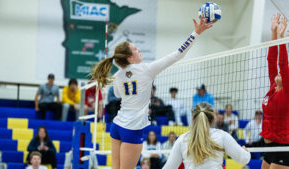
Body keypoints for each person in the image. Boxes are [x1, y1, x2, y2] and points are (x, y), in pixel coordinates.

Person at [90, 17, 213, 169]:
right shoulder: (147, 70)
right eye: (135, 49)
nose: (139, 50)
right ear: (130, 57)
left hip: (117, 125)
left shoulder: (117, 76)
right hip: (132, 129)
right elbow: (178, 54)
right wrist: (196, 32)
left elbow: (119, 95)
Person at [163, 103, 251, 169]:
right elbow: (243, 159)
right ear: (213, 119)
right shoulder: (222, 136)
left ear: (193, 119)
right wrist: (245, 151)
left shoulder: (182, 139)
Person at [261, 13, 289, 169]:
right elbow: (271, 59)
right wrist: (273, 32)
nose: (278, 72)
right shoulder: (273, 87)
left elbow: (283, 64)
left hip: (285, 147)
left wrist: (282, 36)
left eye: (282, 73)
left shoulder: (287, 91)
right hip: (270, 145)